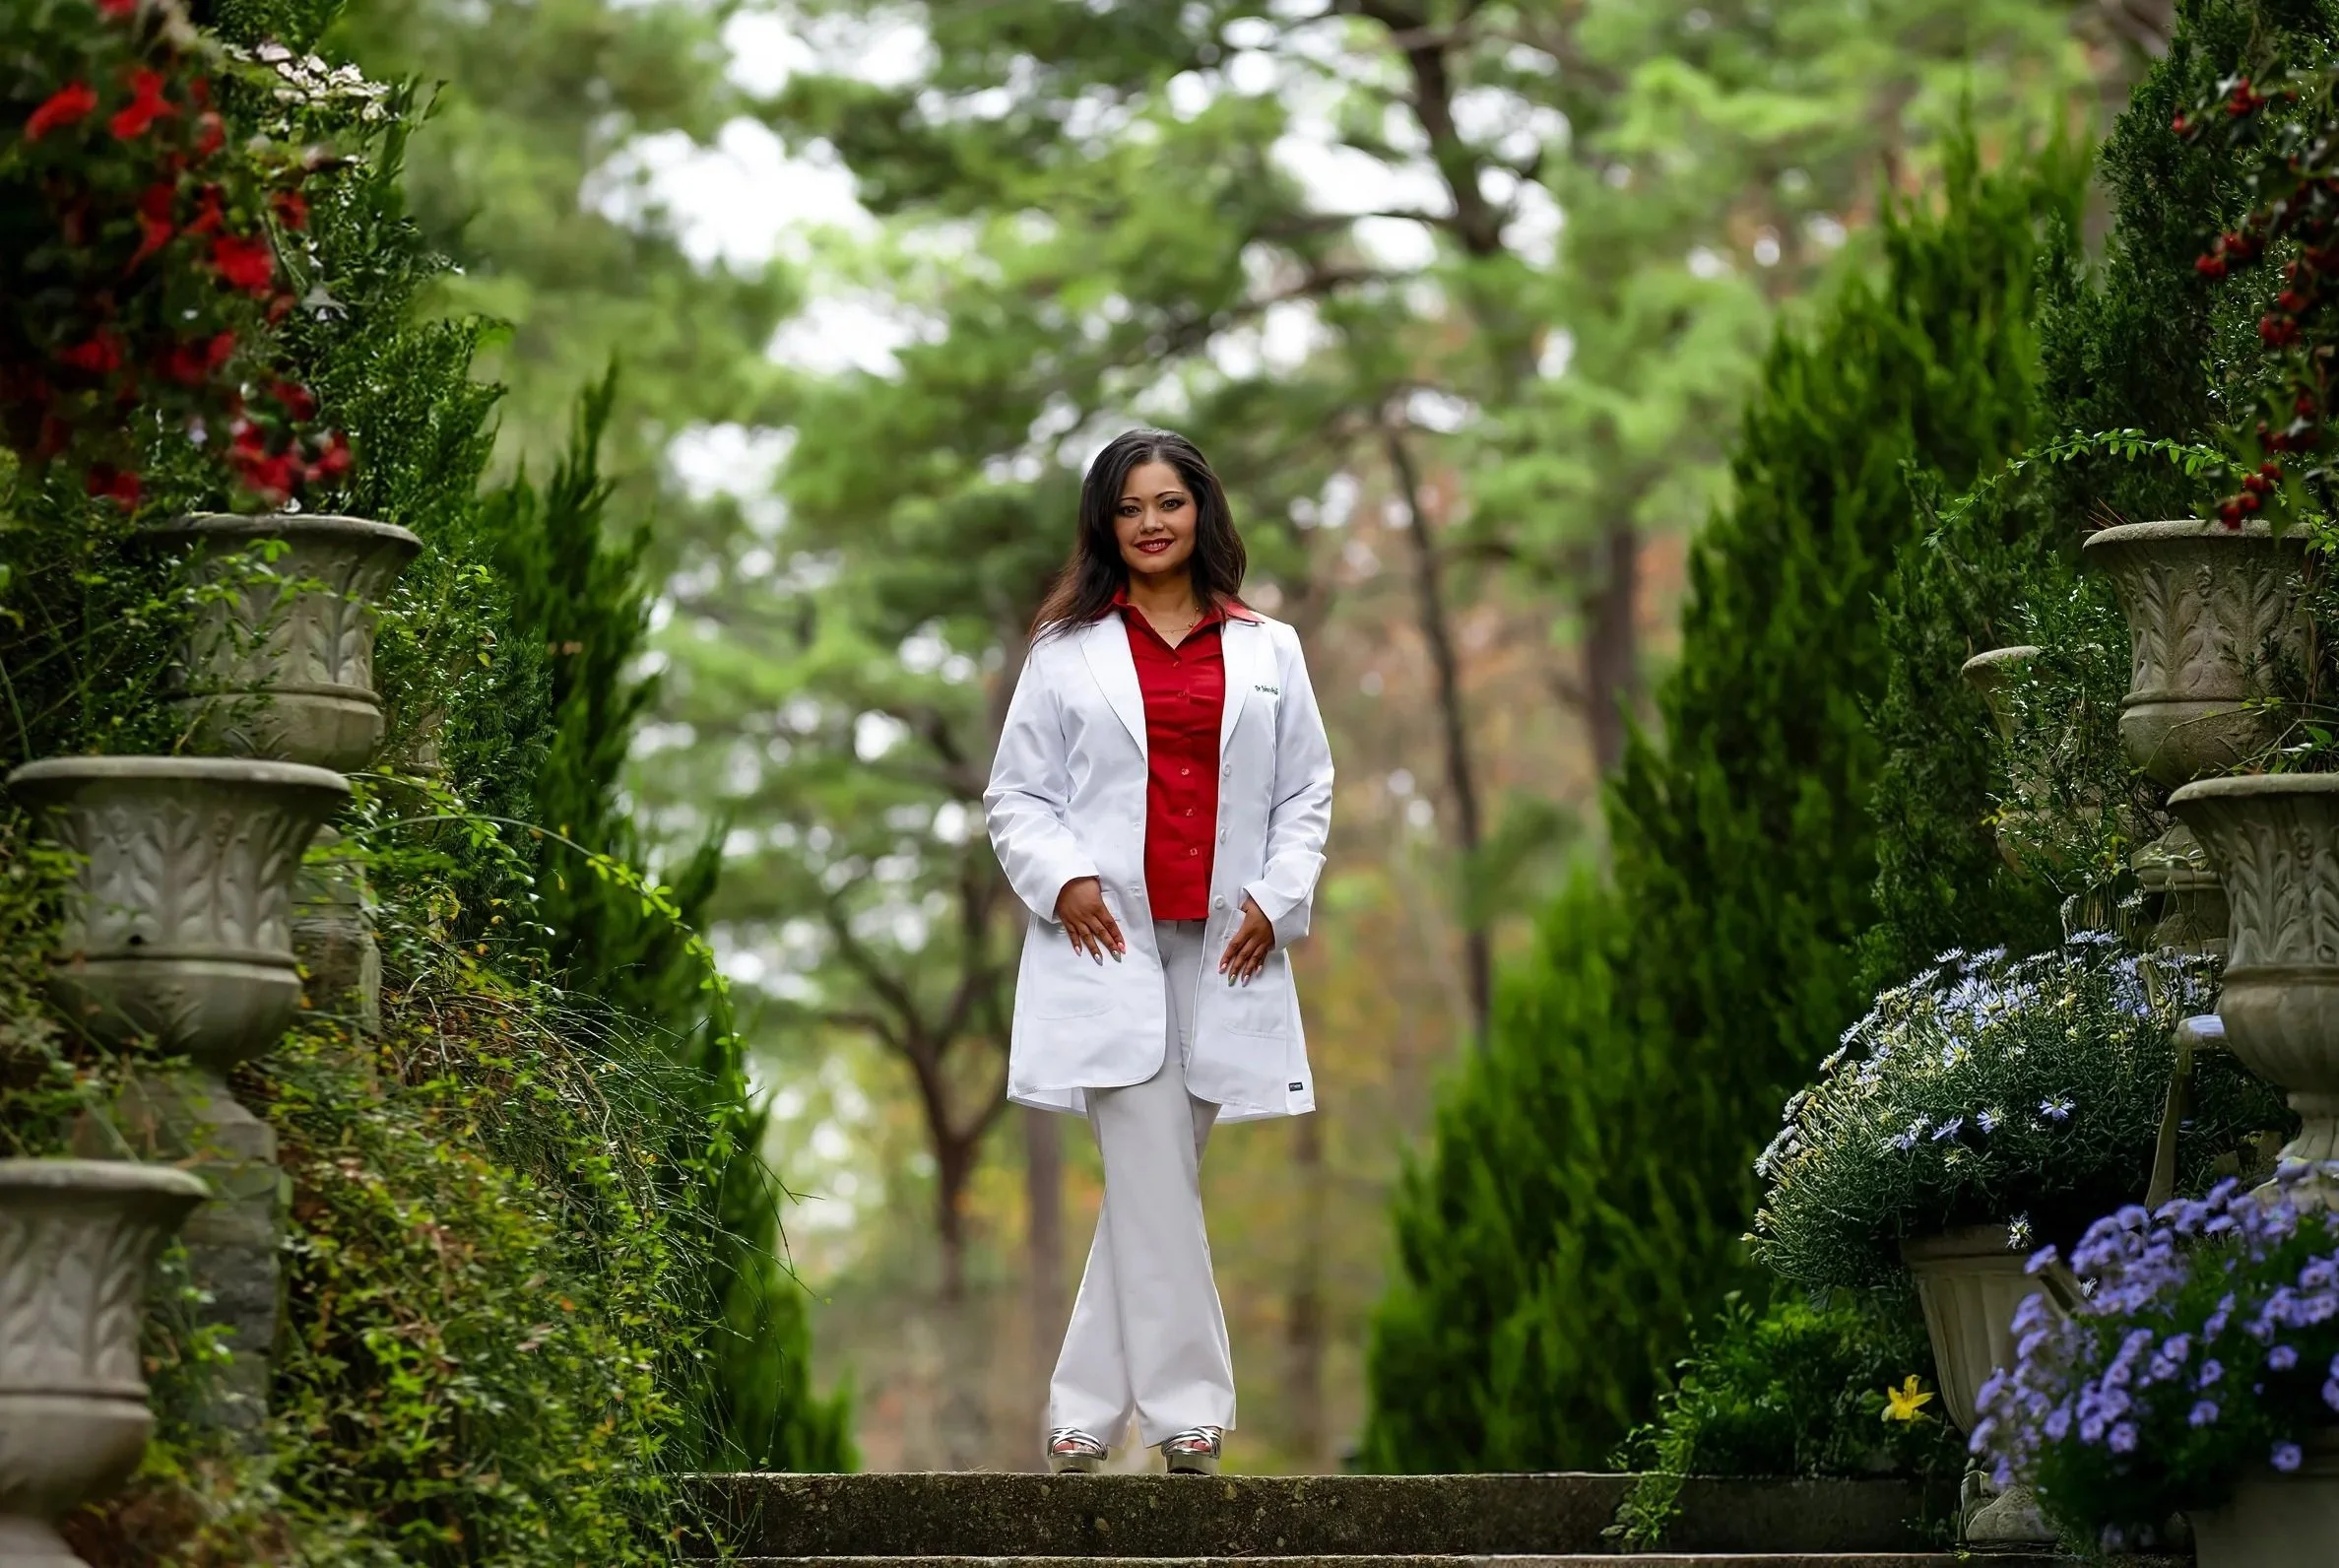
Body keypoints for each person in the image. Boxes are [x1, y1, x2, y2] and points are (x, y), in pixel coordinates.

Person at [985, 427, 1334, 1475]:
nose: (1150, 522)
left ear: (1201, 514)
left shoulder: (1268, 647)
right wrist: (1066, 880)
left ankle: (1083, 1414)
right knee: (1152, 1175)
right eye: (1130, 506)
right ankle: (1187, 1412)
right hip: (1107, 949)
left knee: (1155, 1185)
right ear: (1105, 522)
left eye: (1168, 502)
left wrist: (1277, 897)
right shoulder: (1065, 651)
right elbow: (1015, 794)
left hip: (1226, 949)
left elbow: (1306, 789)